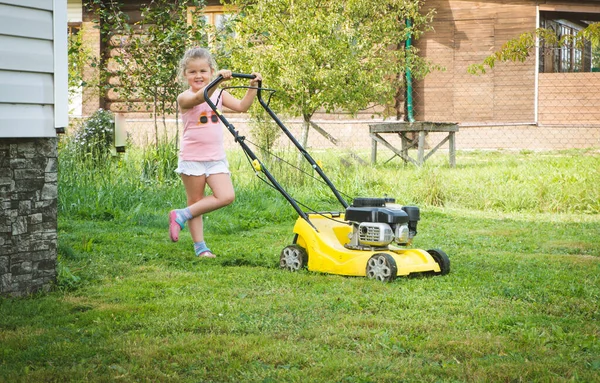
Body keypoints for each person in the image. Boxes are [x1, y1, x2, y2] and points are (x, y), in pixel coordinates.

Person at [169, 47, 262, 258]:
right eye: (192, 72)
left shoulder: (219, 94)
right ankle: (201, 248)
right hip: (192, 158)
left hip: (215, 158)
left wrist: (252, 86)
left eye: (203, 71)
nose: (198, 76)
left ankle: (180, 215)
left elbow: (241, 106)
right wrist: (217, 81)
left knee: (226, 196)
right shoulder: (184, 97)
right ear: (184, 75)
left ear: (211, 71)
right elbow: (201, 98)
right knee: (196, 202)